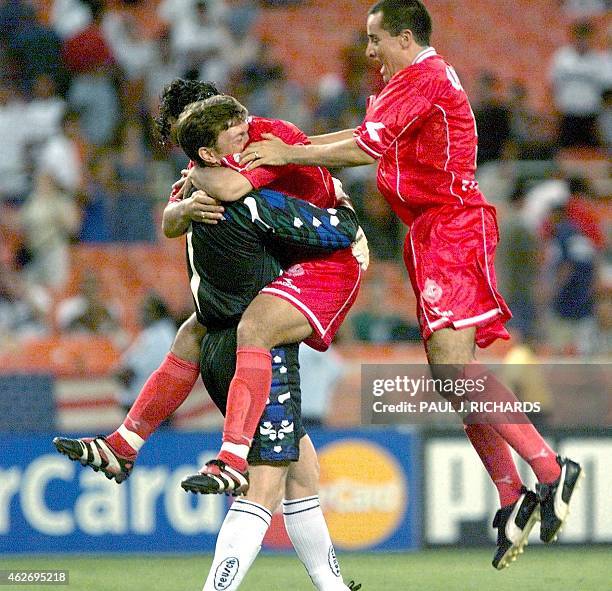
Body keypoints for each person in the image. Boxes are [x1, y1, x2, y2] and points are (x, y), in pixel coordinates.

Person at [237, 0, 583, 570]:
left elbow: (361, 149)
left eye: (375, 40)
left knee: (454, 368)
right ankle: (511, 495)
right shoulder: (406, 84)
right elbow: (361, 132)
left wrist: (290, 152)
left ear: (403, 37)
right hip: (428, 232)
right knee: (451, 380)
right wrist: (289, 152)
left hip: (450, 225)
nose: (368, 52)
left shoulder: (423, 77)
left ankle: (550, 469)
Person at [54, 164, 362, 591]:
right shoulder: (254, 204)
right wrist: (342, 205)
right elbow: (340, 232)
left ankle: (333, 588)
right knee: (264, 487)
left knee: (302, 470)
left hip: (212, 342)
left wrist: (182, 204)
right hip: (257, 357)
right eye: (241, 135)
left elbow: (169, 221)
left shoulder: (189, 195)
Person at [171, 94, 366, 493]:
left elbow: (231, 186)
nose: (240, 126)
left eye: (235, 118)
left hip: (330, 251)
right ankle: (129, 441)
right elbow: (169, 222)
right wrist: (187, 194)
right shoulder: (230, 155)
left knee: (253, 328)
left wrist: (195, 177)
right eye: (228, 123)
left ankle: (231, 457)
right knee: (301, 476)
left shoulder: (258, 146)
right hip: (295, 259)